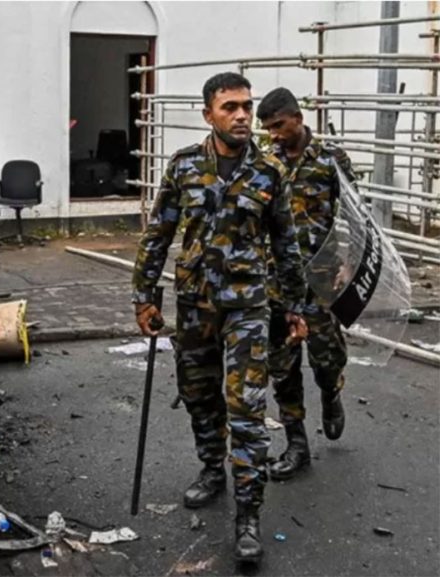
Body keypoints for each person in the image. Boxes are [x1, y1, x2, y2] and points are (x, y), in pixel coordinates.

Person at [132, 72, 308, 564]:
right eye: (230, 107)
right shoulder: (184, 165)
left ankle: (248, 516)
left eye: (247, 106)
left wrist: (295, 306)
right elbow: (158, 233)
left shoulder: (269, 171)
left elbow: (286, 244)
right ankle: (212, 468)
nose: (242, 116)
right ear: (208, 113)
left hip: (248, 307)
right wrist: (144, 297)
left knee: (247, 409)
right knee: (199, 395)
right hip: (195, 304)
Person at [256, 87, 354, 480]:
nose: (274, 134)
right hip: (277, 282)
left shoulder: (331, 159)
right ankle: (296, 444)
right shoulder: (266, 162)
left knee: (327, 359)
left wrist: (350, 262)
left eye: (279, 125)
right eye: (268, 129)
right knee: (282, 367)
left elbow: (355, 213)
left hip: (322, 279)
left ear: (297, 118)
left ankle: (331, 393)